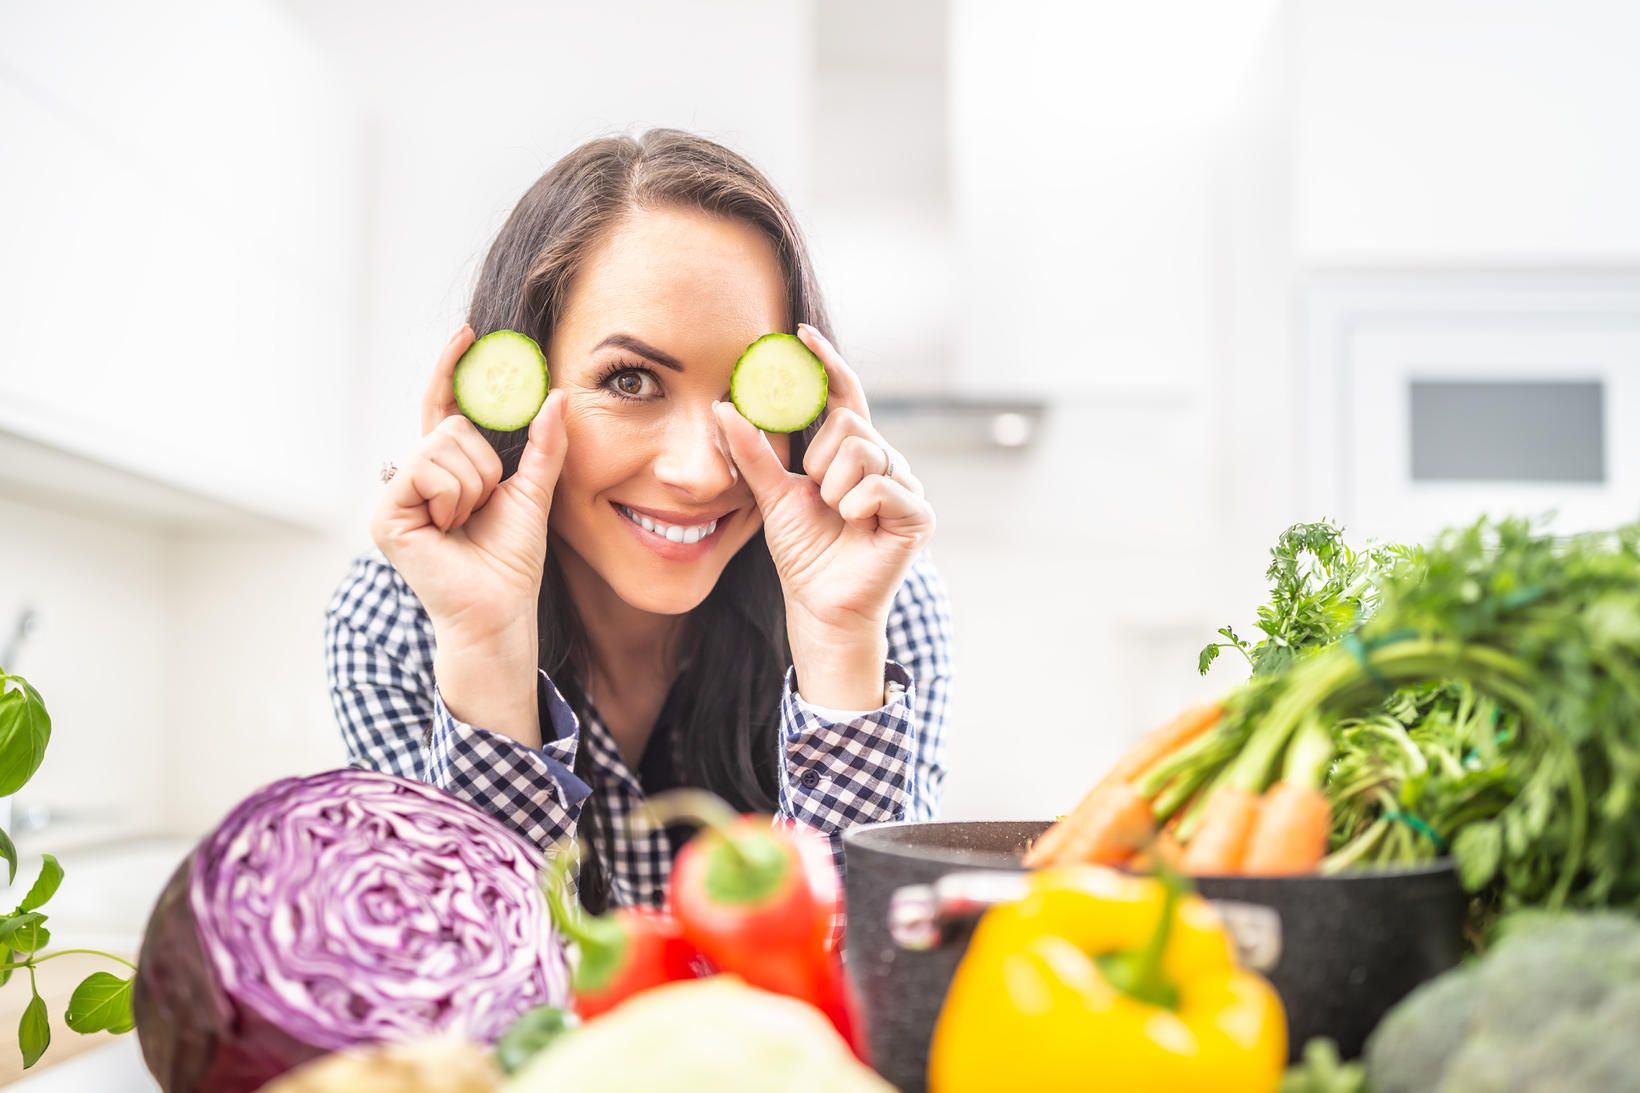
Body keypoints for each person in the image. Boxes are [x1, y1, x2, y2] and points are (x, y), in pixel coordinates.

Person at [324, 129, 953, 912]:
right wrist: (485, 649)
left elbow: (877, 992)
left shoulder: (885, 601)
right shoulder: (393, 620)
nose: (701, 470)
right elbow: (467, 1002)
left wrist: (839, 647)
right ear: (516, 391)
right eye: (630, 380)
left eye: (752, 391)